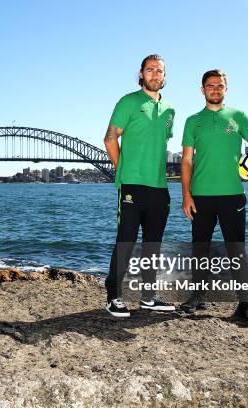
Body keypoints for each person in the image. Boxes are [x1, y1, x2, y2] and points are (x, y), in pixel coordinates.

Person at [180, 69, 248, 324]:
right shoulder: (192, 121)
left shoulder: (238, 116)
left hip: (232, 196)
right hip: (201, 196)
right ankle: (197, 296)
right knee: (199, 248)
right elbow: (187, 160)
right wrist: (186, 196)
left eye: (220, 85)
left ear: (226, 89)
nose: (215, 89)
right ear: (202, 90)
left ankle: (245, 304)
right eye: (210, 86)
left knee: (237, 249)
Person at [103, 54, 176, 317]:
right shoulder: (128, 102)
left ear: (165, 76)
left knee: (153, 244)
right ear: (141, 74)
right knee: (126, 240)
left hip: (159, 186)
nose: (155, 74)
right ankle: (114, 296)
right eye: (150, 70)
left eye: (160, 71)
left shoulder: (170, 110)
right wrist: (122, 168)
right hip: (132, 184)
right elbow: (110, 138)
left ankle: (149, 296)